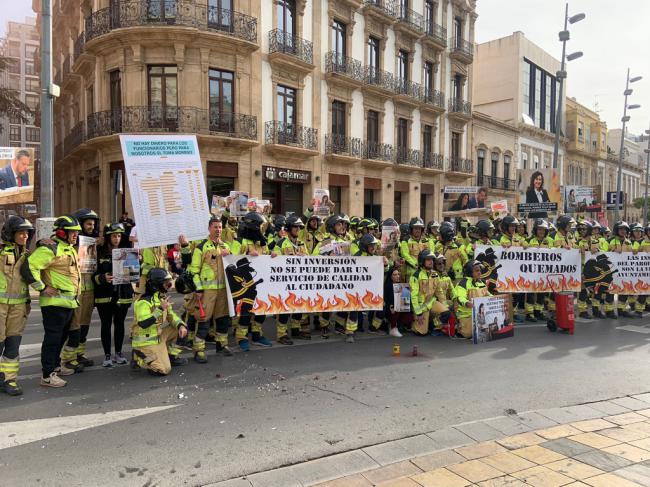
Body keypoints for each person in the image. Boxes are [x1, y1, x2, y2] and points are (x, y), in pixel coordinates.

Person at [22, 216, 82, 387]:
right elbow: (29, 267)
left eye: (77, 233)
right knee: (52, 339)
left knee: (61, 337)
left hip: (68, 303)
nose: (75, 236)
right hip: (54, 304)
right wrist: (42, 288)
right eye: (72, 232)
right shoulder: (51, 249)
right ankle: (47, 375)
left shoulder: (68, 249)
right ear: (62, 231)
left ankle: (55, 366)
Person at [188, 217, 233, 362]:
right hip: (207, 291)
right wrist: (199, 289)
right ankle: (198, 350)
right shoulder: (201, 247)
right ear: (209, 228)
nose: (218, 230)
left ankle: (222, 345)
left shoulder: (226, 246)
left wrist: (229, 254)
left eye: (220, 227)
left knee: (222, 319)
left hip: (222, 291)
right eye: (215, 227)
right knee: (204, 321)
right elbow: (194, 271)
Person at [131, 268, 188, 375]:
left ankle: (171, 356)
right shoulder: (143, 302)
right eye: (166, 284)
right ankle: (138, 357)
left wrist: (180, 325)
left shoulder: (160, 298)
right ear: (156, 285)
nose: (168, 286)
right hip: (145, 342)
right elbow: (143, 323)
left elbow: (171, 316)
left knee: (183, 328)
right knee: (163, 370)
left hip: (158, 336)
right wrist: (160, 309)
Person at [230, 212, 274, 350]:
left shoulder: (261, 242)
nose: (262, 229)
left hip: (261, 284)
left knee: (262, 311)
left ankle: (257, 335)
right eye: (260, 226)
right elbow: (231, 260)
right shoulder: (240, 242)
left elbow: (265, 258)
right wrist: (247, 255)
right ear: (253, 226)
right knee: (246, 312)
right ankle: (241, 338)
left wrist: (272, 256)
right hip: (245, 285)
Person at [0, 216, 34, 395]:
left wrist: (28, 301)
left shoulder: (25, 254)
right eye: (21, 233)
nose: (25, 236)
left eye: (27, 233)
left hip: (18, 306)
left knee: (13, 344)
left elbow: (25, 280)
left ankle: (9, 380)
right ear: (11, 233)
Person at [63, 208, 100, 368]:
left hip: (89, 290)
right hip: (75, 291)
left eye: (93, 224)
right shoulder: (70, 243)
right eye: (88, 223)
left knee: (85, 324)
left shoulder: (95, 242)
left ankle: (79, 354)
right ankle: (68, 359)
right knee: (74, 326)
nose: (91, 226)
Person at [94, 223, 133, 367]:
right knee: (106, 324)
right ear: (108, 237)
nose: (116, 239)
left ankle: (119, 353)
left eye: (119, 236)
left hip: (122, 294)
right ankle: (107, 355)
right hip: (104, 295)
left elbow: (132, 273)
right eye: (113, 236)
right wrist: (102, 278)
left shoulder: (127, 252)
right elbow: (93, 273)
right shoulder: (99, 251)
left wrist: (136, 264)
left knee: (120, 324)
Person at [278, 215, 310, 341]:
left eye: (299, 227)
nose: (298, 229)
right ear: (289, 228)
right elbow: (274, 263)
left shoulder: (302, 243)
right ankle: (281, 334)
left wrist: (304, 257)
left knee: (299, 305)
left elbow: (308, 260)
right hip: (285, 282)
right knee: (284, 308)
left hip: (300, 281)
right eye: (295, 227)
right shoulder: (281, 243)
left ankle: (296, 330)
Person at [453, 260, 490, 339]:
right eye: (477, 271)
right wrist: (467, 303)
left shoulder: (480, 282)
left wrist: (499, 299)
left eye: (480, 270)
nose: (479, 272)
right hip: (466, 314)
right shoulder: (463, 283)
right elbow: (460, 298)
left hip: (478, 313)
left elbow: (488, 294)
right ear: (470, 272)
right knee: (469, 334)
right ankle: (458, 327)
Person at [384, 268, 412, 337]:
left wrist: (408, 292)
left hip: (398, 307)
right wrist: (391, 306)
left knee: (409, 316)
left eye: (398, 274)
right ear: (391, 276)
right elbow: (387, 300)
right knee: (397, 307)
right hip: (389, 308)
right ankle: (393, 328)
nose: (397, 276)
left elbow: (405, 301)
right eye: (395, 275)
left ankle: (401, 325)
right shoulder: (387, 286)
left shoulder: (401, 285)